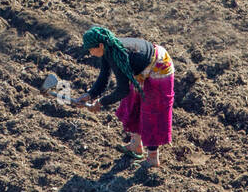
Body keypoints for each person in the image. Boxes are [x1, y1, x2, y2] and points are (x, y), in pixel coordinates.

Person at [71, 25, 176, 168]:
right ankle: (136, 146)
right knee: (133, 102)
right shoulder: (108, 49)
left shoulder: (117, 55)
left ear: (100, 45)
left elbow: (122, 90)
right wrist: (90, 95)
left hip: (159, 65)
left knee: (152, 110)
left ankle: (152, 159)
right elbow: (104, 76)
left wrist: (101, 103)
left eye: (91, 49)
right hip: (141, 68)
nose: (90, 53)